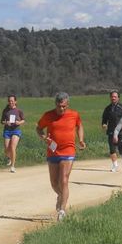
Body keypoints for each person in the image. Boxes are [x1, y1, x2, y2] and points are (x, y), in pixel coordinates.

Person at [36, 92, 86, 221]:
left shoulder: (74, 114)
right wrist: (44, 137)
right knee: (54, 183)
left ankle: (62, 210)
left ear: (67, 104)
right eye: (59, 106)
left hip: (68, 150)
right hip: (53, 151)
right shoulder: (48, 115)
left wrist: (80, 139)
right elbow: (39, 128)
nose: (61, 109)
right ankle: (60, 195)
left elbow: (79, 125)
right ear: (55, 105)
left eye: (64, 106)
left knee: (63, 180)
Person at [101, 90, 122, 172]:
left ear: (118, 98)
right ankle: (115, 165)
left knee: (121, 149)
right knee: (112, 149)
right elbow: (104, 119)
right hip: (111, 131)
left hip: (121, 131)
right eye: (112, 97)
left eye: (115, 97)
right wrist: (104, 124)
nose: (113, 98)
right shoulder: (107, 108)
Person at [0, 94, 25, 173]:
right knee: (7, 149)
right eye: (9, 101)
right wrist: (6, 122)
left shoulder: (19, 111)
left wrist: (19, 122)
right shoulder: (5, 110)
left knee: (12, 147)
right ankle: (9, 157)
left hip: (16, 130)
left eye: (12, 101)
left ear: (15, 101)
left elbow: (23, 120)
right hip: (7, 131)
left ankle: (13, 166)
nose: (11, 102)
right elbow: (1, 121)